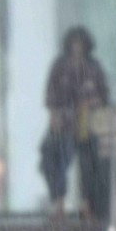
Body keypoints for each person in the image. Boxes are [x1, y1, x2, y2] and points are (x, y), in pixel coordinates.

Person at [41, 26, 110, 219]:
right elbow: (51, 93)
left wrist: (89, 103)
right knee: (55, 160)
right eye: (74, 42)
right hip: (63, 123)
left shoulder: (93, 66)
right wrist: (54, 115)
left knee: (89, 166)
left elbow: (104, 95)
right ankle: (59, 203)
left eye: (80, 43)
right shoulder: (60, 65)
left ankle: (87, 205)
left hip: (88, 123)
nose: (77, 47)